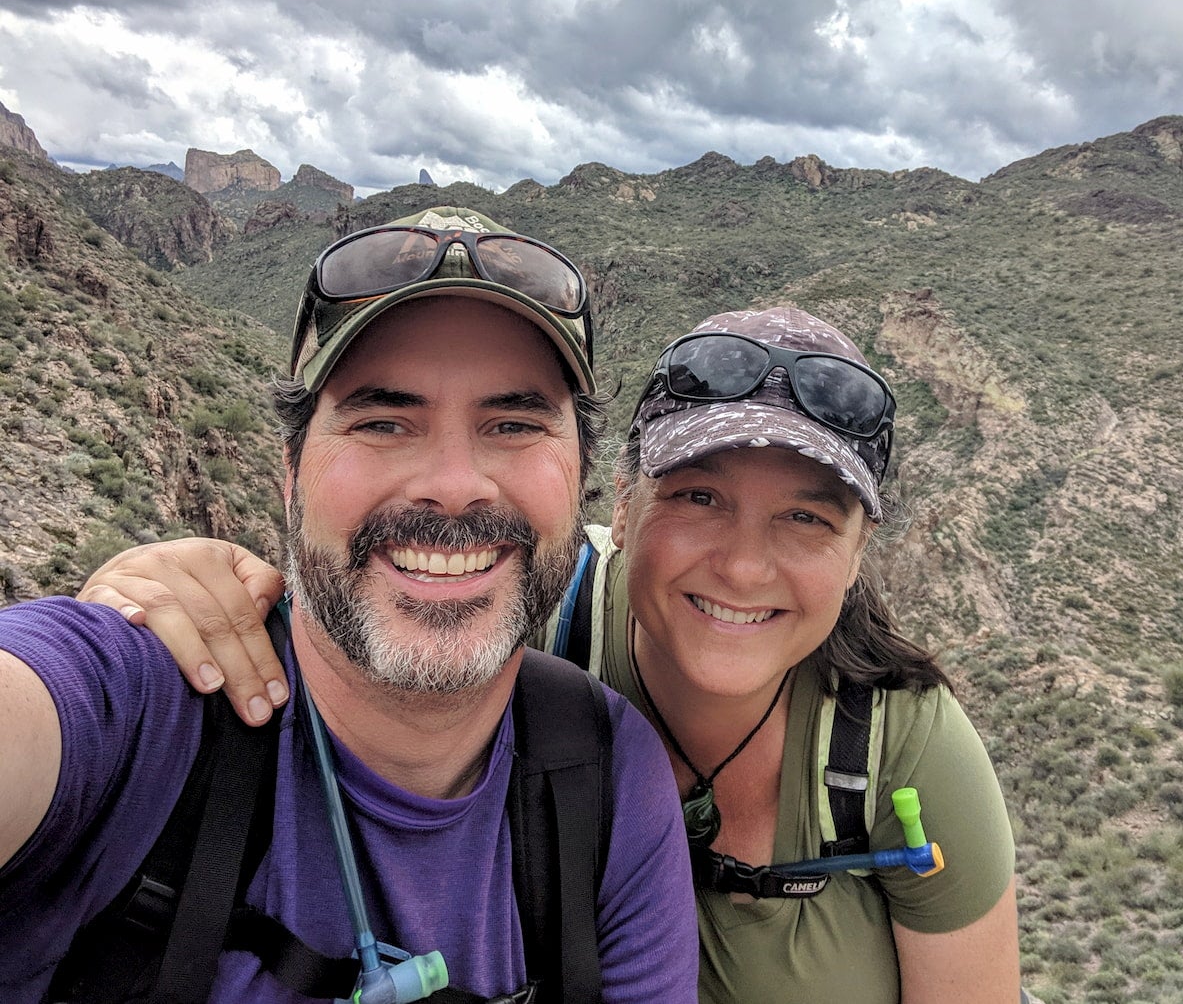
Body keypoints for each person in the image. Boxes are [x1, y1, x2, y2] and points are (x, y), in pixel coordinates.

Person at [82, 306, 1022, 1002]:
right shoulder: (533, 602)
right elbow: (380, 575)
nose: (742, 564)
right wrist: (156, 595)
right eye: (698, 497)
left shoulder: (903, 747)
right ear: (619, 496)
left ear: (861, 552)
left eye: (808, 518)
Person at [0, 207, 699, 1003]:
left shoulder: (607, 775)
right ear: (289, 477)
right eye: (383, 420)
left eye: (511, 423)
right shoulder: (140, 707)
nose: (453, 481)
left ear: (580, 480)